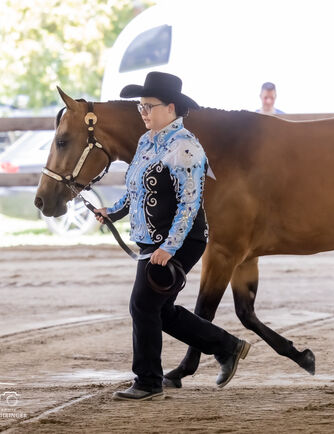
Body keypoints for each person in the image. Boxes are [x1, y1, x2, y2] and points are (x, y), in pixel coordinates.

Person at [94, 71, 251, 401]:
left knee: (142, 306)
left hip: (182, 240)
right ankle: (227, 346)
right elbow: (135, 188)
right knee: (159, 310)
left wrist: (169, 247)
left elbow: (190, 203)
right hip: (153, 240)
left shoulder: (185, 149)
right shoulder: (146, 141)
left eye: (148, 106)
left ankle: (148, 381)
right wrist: (113, 211)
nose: (144, 113)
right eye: (141, 108)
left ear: (171, 107)